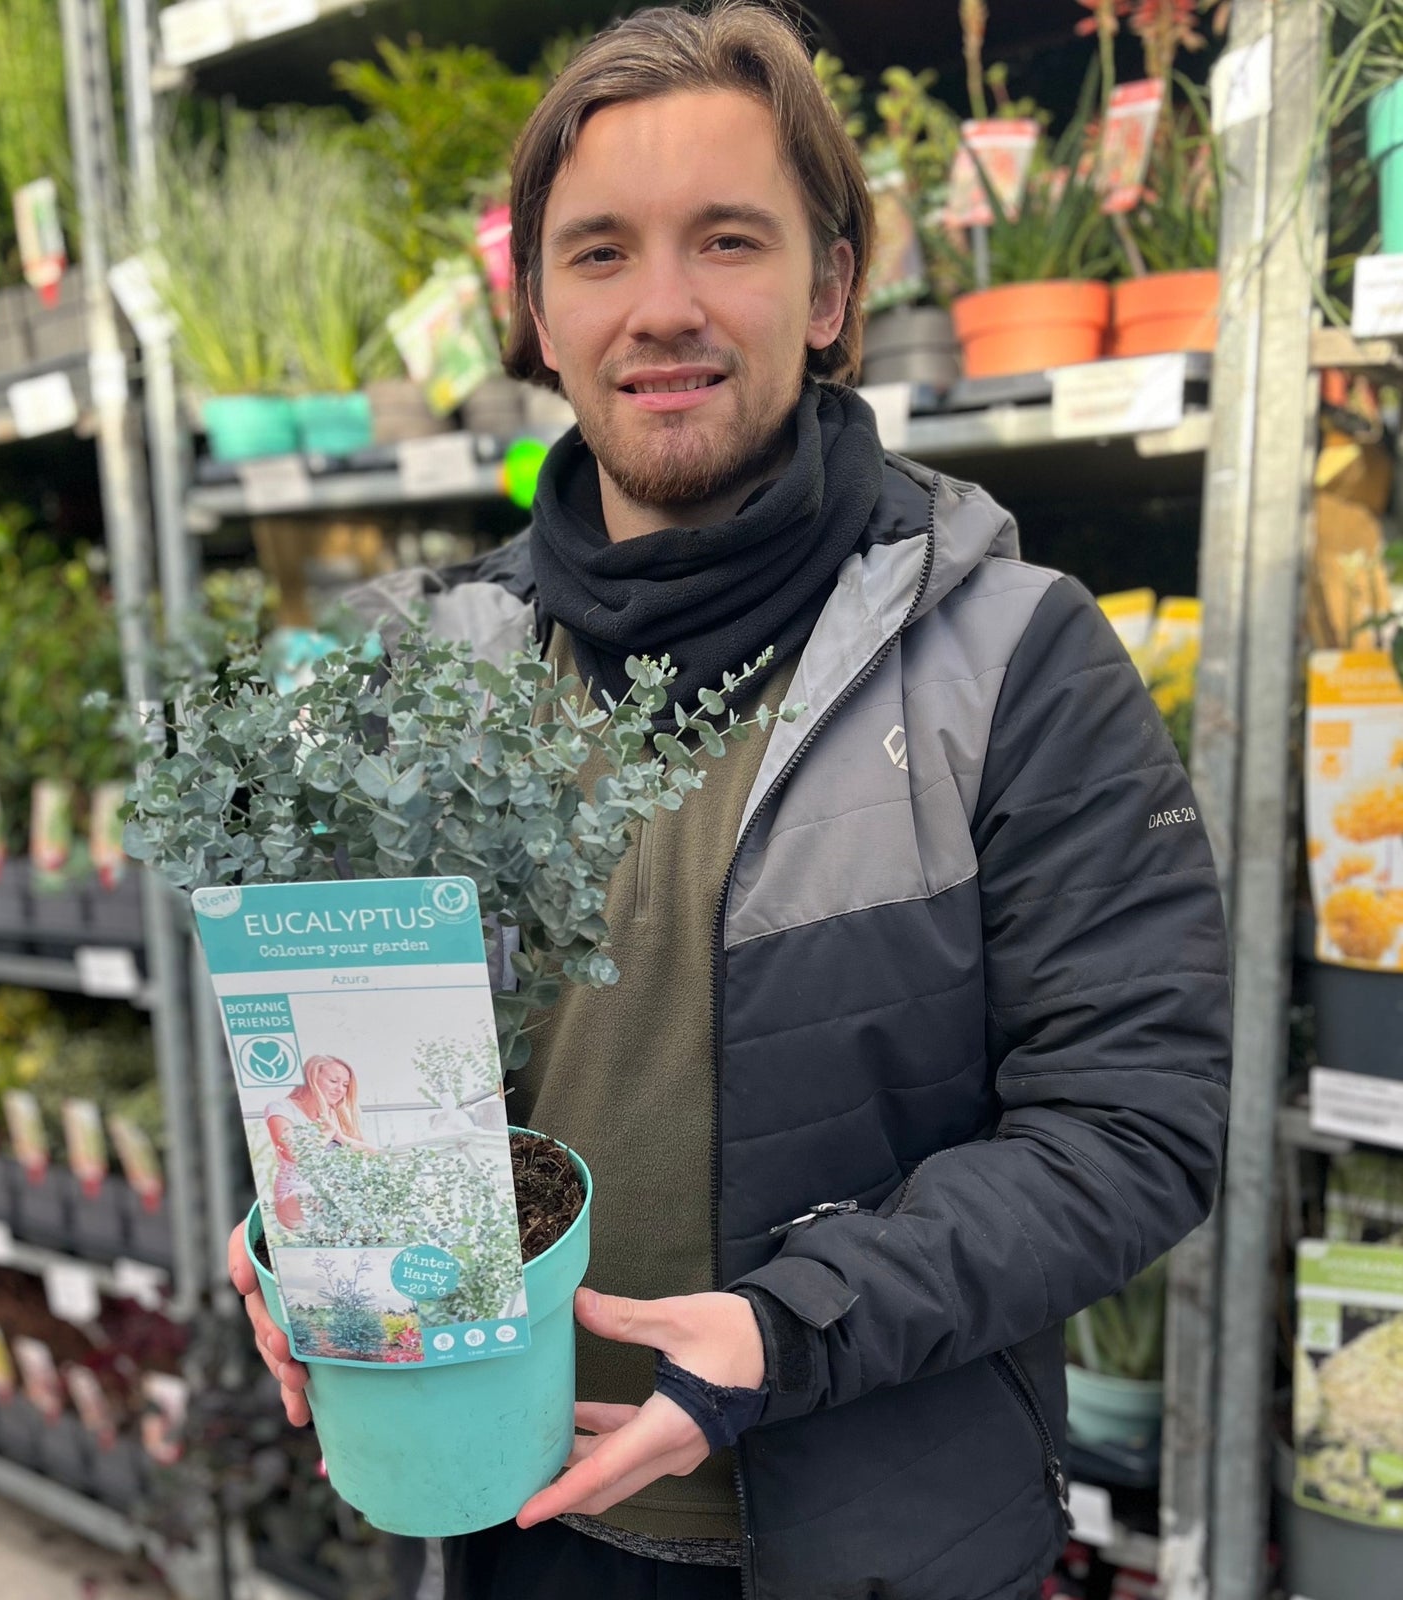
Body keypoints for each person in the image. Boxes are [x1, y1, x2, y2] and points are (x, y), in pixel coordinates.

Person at [228, 6, 1233, 1597]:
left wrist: (789, 1327)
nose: (666, 308)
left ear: (832, 290)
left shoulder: (1011, 660)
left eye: (730, 241)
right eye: (603, 252)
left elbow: (1137, 1122)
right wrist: (308, 1214)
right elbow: (370, 1062)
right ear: (538, 314)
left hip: (875, 1538)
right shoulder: (424, 682)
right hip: (517, 1516)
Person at [266, 1055, 376, 1231]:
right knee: (326, 1204)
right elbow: (295, 1154)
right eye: (334, 1081)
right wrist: (326, 1133)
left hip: (335, 1194)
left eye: (345, 1085)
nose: (340, 1089)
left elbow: (373, 1154)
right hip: (294, 1195)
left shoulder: (338, 1114)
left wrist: (339, 1136)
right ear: (311, 1079)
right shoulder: (282, 1108)